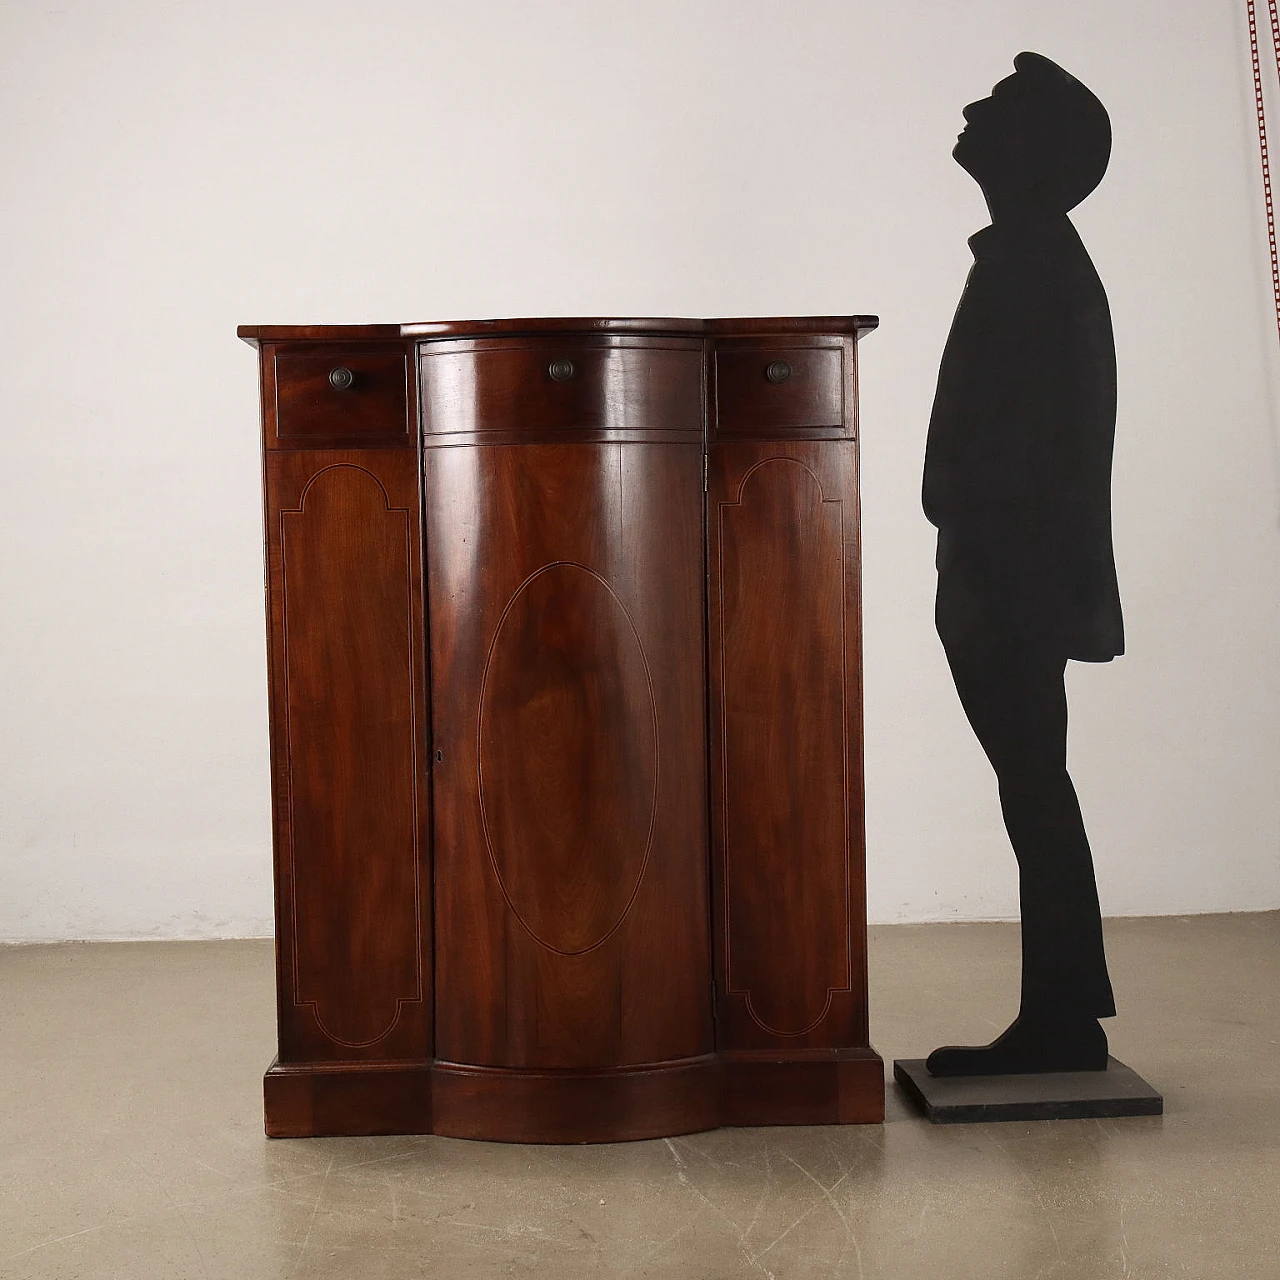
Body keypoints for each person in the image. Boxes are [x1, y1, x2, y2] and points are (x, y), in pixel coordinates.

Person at [922, 52, 1123, 1075]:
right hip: (1005, 571)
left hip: (1011, 577)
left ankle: (1059, 1017)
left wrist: (967, 524)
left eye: (996, 107)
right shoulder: (1029, 257)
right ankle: (1062, 1008)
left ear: (1032, 154)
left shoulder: (1031, 264)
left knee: (1032, 783)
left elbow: (1036, 443)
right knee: (1032, 782)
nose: (970, 109)